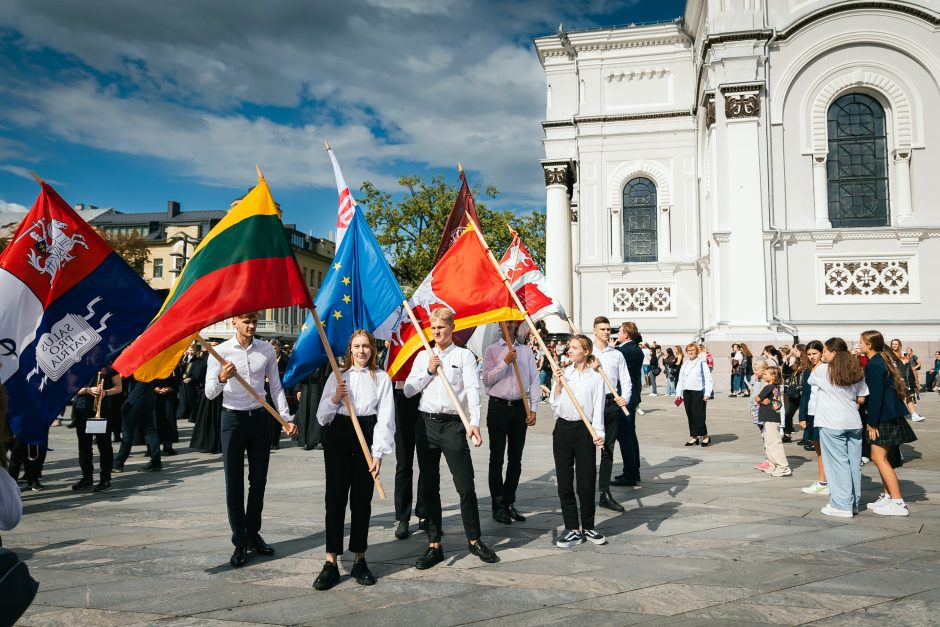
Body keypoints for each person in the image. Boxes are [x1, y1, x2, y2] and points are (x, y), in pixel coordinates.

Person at [404, 308, 498, 569]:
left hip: (455, 425)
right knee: (429, 486)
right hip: (426, 424)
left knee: (465, 484)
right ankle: (434, 545)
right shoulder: (424, 355)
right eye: (433, 328)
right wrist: (428, 371)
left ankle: (474, 539)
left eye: (442, 327)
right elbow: (410, 390)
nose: (437, 332)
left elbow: (472, 389)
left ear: (452, 328)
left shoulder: (464, 356)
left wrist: (475, 422)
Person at [205, 312, 298, 568]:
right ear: (233, 322)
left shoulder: (266, 350)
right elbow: (210, 392)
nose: (251, 326)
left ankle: (253, 533)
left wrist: (285, 418)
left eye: (254, 322)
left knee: (258, 480)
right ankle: (239, 540)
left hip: (259, 419)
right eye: (245, 321)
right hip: (232, 420)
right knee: (233, 483)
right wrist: (223, 378)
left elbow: (276, 387)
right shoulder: (220, 352)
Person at [312, 330, 396, 590]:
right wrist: (336, 397)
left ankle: (359, 557)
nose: (361, 351)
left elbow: (386, 418)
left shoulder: (381, 378)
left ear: (373, 349)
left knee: (361, 501)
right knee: (335, 500)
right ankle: (331, 561)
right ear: (350, 350)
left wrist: (378, 452)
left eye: (366, 346)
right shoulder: (339, 377)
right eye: (356, 346)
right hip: (339, 436)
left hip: (367, 437)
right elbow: (322, 416)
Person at [550, 335, 607, 548]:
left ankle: (589, 525)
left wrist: (599, 433)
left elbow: (599, 408)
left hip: (585, 430)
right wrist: (557, 385)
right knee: (564, 480)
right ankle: (572, 527)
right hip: (563, 429)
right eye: (570, 347)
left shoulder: (596, 378)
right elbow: (555, 406)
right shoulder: (564, 374)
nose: (570, 350)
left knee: (586, 480)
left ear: (586, 351)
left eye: (575, 347)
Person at [482, 320, 539, 524]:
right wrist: (504, 362)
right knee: (496, 458)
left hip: (518, 408)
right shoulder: (492, 350)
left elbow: (533, 380)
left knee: (515, 459)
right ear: (500, 325)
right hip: (498, 407)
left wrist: (533, 408)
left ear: (517, 325)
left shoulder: (525, 351)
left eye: (512, 322)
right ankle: (497, 505)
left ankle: (509, 501)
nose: (509, 326)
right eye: (505, 323)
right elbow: (487, 379)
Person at [809, 338, 869, 518]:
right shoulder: (855, 370)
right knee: (852, 464)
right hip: (853, 421)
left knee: (837, 464)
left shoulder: (822, 370)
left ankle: (841, 505)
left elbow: (811, 380)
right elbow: (861, 397)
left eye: (825, 351)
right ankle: (853, 503)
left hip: (831, 422)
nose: (823, 355)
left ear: (833, 353)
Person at [860, 331, 916, 516]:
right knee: (880, 459)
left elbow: (876, 397)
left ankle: (898, 502)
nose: (860, 345)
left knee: (879, 458)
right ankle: (888, 497)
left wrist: (872, 423)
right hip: (887, 415)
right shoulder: (879, 361)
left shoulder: (874, 363)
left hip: (882, 417)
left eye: (862, 342)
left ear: (869, 345)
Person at [589, 317, 631, 513]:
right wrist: (591, 366)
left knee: (608, 449)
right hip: (591, 404)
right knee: (587, 449)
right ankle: (586, 491)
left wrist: (625, 398)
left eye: (608, 329)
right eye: (602, 329)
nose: (606, 332)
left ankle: (604, 493)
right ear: (594, 330)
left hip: (611, 403)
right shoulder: (588, 354)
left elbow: (626, 380)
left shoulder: (617, 355)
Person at [71, 366, 121, 492]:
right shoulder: (78, 366)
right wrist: (87, 390)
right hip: (82, 409)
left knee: (104, 445)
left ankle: (105, 478)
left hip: (103, 409)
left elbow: (119, 388)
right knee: (84, 445)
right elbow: (69, 387)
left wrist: (105, 392)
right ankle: (87, 477)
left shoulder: (110, 368)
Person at [392, 378, 425, 539]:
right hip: (402, 397)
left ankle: (425, 513)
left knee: (427, 462)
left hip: (426, 397)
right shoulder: (396, 351)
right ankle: (403, 517)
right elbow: (389, 370)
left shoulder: (431, 351)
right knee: (404, 462)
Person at [113, 375, 162, 473]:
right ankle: (156, 462)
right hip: (149, 399)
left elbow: (121, 376)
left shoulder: (136, 364)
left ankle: (118, 464)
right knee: (151, 432)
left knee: (127, 434)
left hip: (135, 401)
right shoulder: (152, 366)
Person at [798, 341, 830, 494]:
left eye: (814, 353)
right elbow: (805, 394)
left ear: (822, 352)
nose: (811, 357)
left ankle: (826, 482)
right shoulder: (807, 371)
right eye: (809, 354)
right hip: (812, 413)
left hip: (826, 413)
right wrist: (802, 416)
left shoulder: (827, 368)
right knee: (818, 450)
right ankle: (823, 481)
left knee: (827, 450)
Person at [615, 322, 643, 486]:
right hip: (633, 397)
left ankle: (629, 474)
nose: (618, 334)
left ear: (625, 334)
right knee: (631, 435)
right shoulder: (635, 349)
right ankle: (634, 470)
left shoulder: (623, 350)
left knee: (625, 436)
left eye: (619, 332)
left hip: (625, 397)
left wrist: (612, 349)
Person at [675, 343, 713, 447]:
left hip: (698, 392)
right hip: (687, 392)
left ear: (697, 351)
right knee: (690, 415)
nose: (691, 352)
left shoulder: (702, 363)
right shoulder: (685, 363)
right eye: (689, 350)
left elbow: (708, 379)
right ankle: (694, 437)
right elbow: (681, 379)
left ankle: (705, 436)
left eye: (693, 350)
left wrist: (707, 393)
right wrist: (678, 392)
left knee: (699, 415)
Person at [756, 366, 791, 476]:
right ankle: (773, 465)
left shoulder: (769, 387)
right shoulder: (775, 387)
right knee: (771, 443)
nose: (764, 375)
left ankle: (783, 467)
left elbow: (757, 398)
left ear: (773, 376)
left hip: (769, 418)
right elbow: (777, 403)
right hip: (773, 417)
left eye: (766, 374)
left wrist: (761, 401)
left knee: (773, 443)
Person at [890, 339, 925, 422]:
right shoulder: (889, 354)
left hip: (905, 377)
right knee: (898, 397)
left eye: (896, 344)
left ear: (899, 345)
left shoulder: (901, 354)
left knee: (909, 396)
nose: (894, 345)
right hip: (896, 377)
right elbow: (891, 366)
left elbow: (905, 366)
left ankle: (914, 414)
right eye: (893, 344)